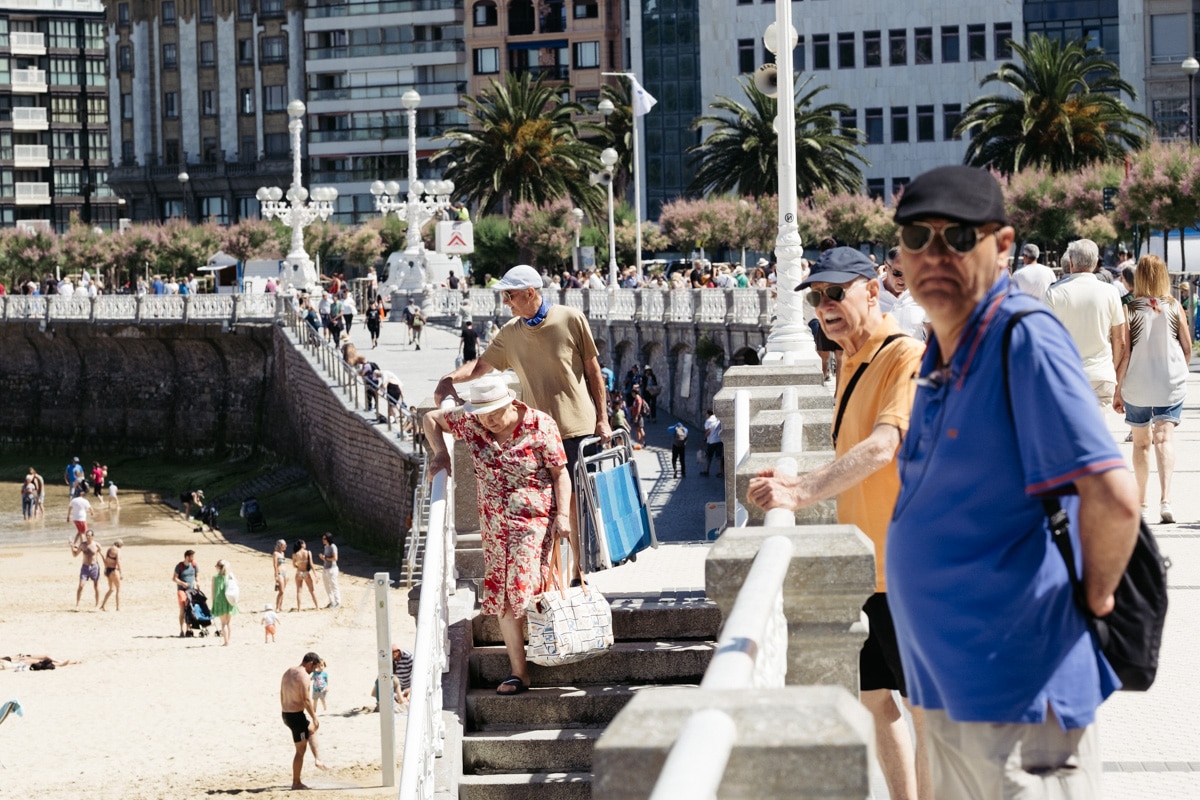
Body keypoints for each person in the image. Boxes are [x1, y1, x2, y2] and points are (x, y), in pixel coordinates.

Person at [886, 165, 1140, 799]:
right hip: (950, 690)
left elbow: (1111, 495)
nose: (934, 254)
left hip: (1019, 695)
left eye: (958, 236)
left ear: (1001, 246)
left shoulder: (1021, 337)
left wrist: (1098, 599)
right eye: (917, 236)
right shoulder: (947, 347)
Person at [747, 246, 929, 800]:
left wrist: (800, 491)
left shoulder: (905, 355)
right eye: (818, 296)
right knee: (875, 698)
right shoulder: (850, 357)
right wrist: (791, 475)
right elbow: (852, 450)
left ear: (872, 290)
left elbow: (883, 447)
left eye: (836, 294)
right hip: (866, 567)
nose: (824, 306)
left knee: (928, 712)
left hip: (909, 570)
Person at [434, 264, 611, 578]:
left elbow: (594, 371)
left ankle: (577, 574)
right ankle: (550, 576)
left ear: (531, 292)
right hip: (537, 433)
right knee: (545, 505)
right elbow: (480, 367)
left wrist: (603, 419)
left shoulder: (570, 319)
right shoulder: (511, 332)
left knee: (572, 506)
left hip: (577, 428)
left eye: (510, 295)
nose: (506, 302)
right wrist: (448, 379)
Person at [424, 376, 572, 694]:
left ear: (510, 402)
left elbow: (561, 472)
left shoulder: (539, 425)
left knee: (525, 588)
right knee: (506, 598)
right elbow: (431, 419)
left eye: (494, 412)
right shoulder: (472, 423)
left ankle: (553, 648)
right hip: (495, 531)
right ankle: (520, 673)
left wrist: (563, 515)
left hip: (534, 524)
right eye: (482, 413)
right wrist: (441, 454)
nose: (488, 420)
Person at [1114, 254, 1191, 524]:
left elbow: (1125, 352)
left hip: (1137, 382)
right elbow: (1187, 347)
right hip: (1169, 381)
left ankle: (1143, 502)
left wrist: (1118, 388)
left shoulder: (1130, 308)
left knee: (1141, 442)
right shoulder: (1173, 306)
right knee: (1164, 438)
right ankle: (1166, 500)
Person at [1045, 239, 1127, 407]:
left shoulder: (1054, 293)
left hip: (1066, 375)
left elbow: (1046, 339)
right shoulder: (1111, 292)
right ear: (1096, 262)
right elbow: (1120, 340)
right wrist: (1111, 369)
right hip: (1101, 374)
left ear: (1071, 262)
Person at [280, 652, 327, 789]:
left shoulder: (288, 671)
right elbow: (306, 700)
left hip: (286, 714)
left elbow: (282, 692)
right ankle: (296, 783)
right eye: (315, 667)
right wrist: (314, 717)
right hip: (296, 716)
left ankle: (318, 759)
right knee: (300, 751)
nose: (314, 670)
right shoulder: (304, 676)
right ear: (310, 663)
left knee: (311, 730)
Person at [372, 644, 414, 709]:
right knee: (402, 698)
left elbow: (415, 674)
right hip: (399, 687)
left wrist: (410, 688)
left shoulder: (409, 657)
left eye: (392, 656)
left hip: (409, 685)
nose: (391, 658)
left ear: (396, 652)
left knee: (408, 697)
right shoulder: (390, 662)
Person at [70, 529, 104, 609]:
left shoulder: (97, 545)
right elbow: (75, 555)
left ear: (92, 536)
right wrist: (72, 548)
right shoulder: (82, 545)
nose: (88, 537)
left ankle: (96, 605)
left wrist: (106, 565)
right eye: (87, 535)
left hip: (94, 567)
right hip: (85, 567)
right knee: (81, 585)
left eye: (89, 536)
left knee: (96, 586)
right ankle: (77, 605)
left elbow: (102, 555)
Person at [211, 559, 239, 646]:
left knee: (223, 623)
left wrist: (213, 602)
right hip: (230, 600)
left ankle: (226, 642)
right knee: (228, 622)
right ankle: (228, 640)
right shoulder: (230, 576)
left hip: (220, 601)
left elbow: (213, 592)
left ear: (219, 567)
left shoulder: (215, 578)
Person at [173, 549, 200, 637]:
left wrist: (198, 583)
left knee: (190, 609)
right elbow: (174, 578)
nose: (193, 558)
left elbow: (197, 576)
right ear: (187, 557)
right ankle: (181, 630)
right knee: (182, 609)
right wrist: (182, 583)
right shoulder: (180, 566)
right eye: (191, 556)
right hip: (181, 590)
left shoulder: (194, 565)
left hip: (191, 591)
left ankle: (189, 629)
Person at [292, 540, 320, 611]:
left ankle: (299, 608)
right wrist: (315, 574)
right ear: (302, 545)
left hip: (299, 572)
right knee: (312, 590)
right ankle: (317, 606)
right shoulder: (308, 552)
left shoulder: (295, 554)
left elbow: (294, 565)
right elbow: (311, 564)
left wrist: (298, 566)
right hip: (306, 572)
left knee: (299, 591)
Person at [319, 533, 341, 609]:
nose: (323, 540)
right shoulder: (326, 547)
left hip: (332, 569)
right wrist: (324, 558)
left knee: (334, 585)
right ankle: (331, 601)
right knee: (327, 586)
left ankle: (338, 602)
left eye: (324, 539)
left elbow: (335, 558)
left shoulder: (333, 547)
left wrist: (325, 558)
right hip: (325, 568)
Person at [100, 539, 123, 611]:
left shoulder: (109, 549)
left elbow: (105, 560)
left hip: (108, 571)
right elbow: (118, 561)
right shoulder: (118, 550)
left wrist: (105, 569)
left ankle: (103, 605)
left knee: (111, 589)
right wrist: (121, 572)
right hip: (114, 570)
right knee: (118, 589)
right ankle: (118, 607)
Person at [701, 409, 724, 477]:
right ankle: (720, 472)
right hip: (719, 440)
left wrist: (704, 439)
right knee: (719, 457)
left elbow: (708, 431)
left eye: (706, 414)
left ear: (708, 414)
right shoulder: (718, 419)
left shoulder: (708, 421)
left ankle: (706, 470)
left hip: (711, 441)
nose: (705, 415)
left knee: (709, 457)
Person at [272, 539, 289, 613]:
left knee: (283, 591)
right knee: (281, 591)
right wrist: (276, 575)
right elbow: (275, 565)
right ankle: (277, 607)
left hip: (285, 573)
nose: (286, 546)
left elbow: (283, 564)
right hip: (279, 573)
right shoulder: (275, 553)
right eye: (284, 545)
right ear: (280, 545)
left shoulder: (282, 554)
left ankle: (280, 606)